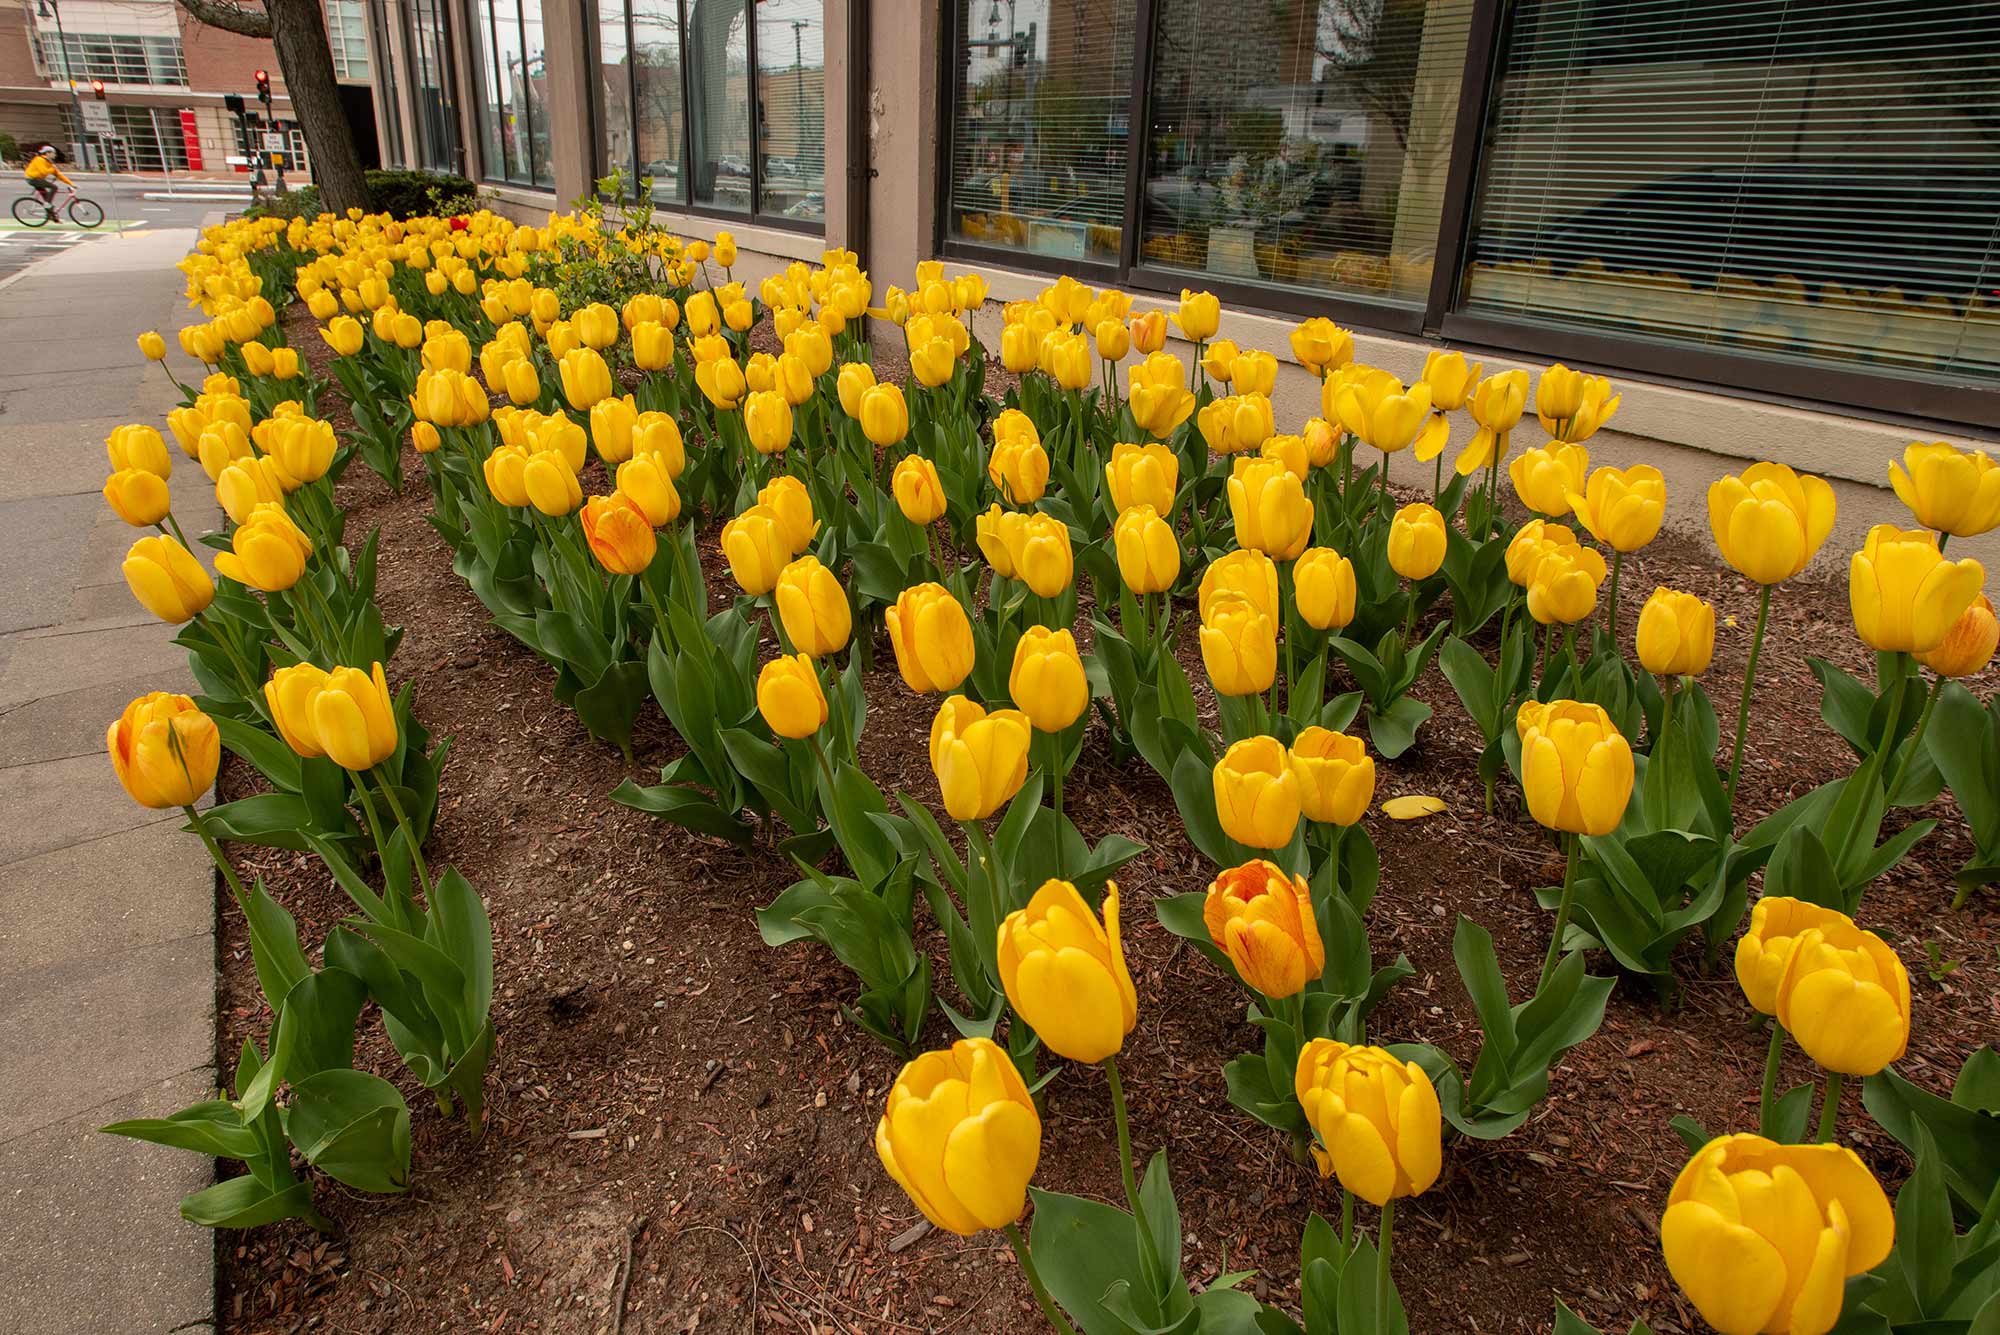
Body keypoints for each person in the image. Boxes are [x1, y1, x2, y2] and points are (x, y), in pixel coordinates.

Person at [24, 144, 72, 212]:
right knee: (54, 187)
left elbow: (59, 175)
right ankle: (47, 204)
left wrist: (71, 184)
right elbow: (43, 172)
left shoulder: (49, 162)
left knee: (47, 199)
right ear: (47, 153)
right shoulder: (39, 159)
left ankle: (53, 217)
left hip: (38, 179)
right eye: (53, 153)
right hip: (32, 178)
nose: (55, 154)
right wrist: (52, 169)